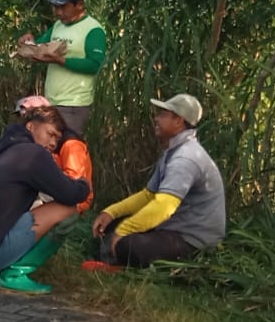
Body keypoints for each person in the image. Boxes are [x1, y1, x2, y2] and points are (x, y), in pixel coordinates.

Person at [0, 105, 92, 294]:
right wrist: (83, 183)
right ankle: (14, 274)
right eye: (50, 134)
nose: (53, 143)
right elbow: (71, 194)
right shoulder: (34, 155)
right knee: (68, 209)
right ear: (31, 127)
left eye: (57, 139)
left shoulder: (4, 150)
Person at [87, 93, 225, 271]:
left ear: (178, 121)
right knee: (109, 223)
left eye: (162, 114)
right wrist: (111, 213)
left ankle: (122, 266)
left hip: (193, 240)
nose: (156, 119)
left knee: (127, 245)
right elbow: (148, 196)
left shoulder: (185, 158)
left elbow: (163, 208)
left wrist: (124, 232)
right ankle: (118, 260)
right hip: (173, 229)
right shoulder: (174, 150)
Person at [15, 0, 107, 135]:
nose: (58, 12)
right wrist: (29, 42)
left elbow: (94, 64)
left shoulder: (93, 29)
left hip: (74, 104)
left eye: (63, 7)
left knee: (68, 148)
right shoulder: (58, 26)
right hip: (51, 102)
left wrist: (61, 61)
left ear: (79, 5)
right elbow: (40, 46)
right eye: (56, 7)